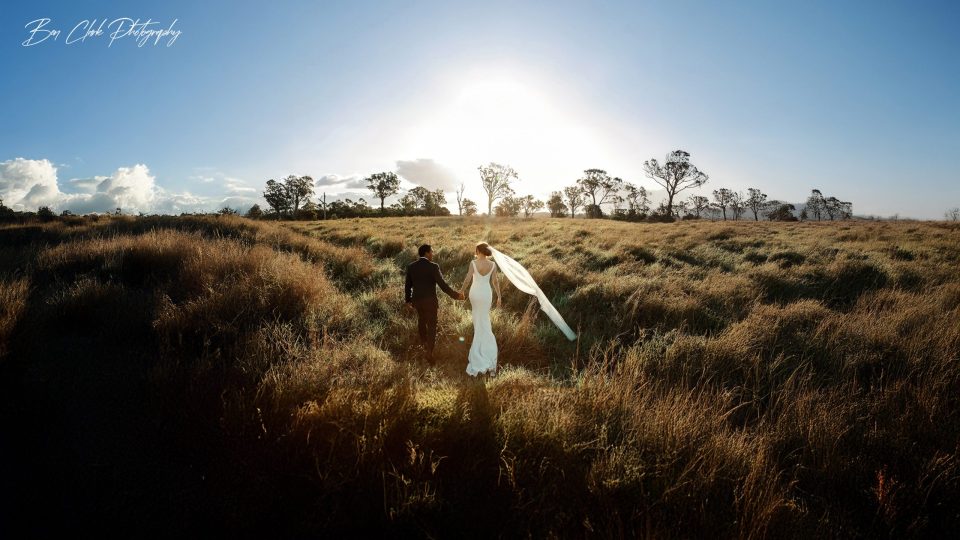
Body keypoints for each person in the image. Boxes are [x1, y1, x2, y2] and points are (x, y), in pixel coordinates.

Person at [405, 244, 464, 363]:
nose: (433, 254)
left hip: (417, 301)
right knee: (432, 326)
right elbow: (443, 285)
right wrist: (456, 296)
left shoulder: (411, 266)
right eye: (431, 252)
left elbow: (408, 286)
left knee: (421, 322)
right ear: (426, 253)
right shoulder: (433, 267)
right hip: (430, 301)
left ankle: (424, 345)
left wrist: (408, 300)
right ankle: (429, 352)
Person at [460, 242, 501, 376]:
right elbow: (495, 282)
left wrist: (461, 291)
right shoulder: (493, 265)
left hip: (475, 294)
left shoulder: (473, 263)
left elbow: (467, 279)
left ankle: (479, 353)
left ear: (478, 250)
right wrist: (499, 297)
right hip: (486, 294)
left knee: (478, 320)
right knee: (484, 320)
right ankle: (488, 351)